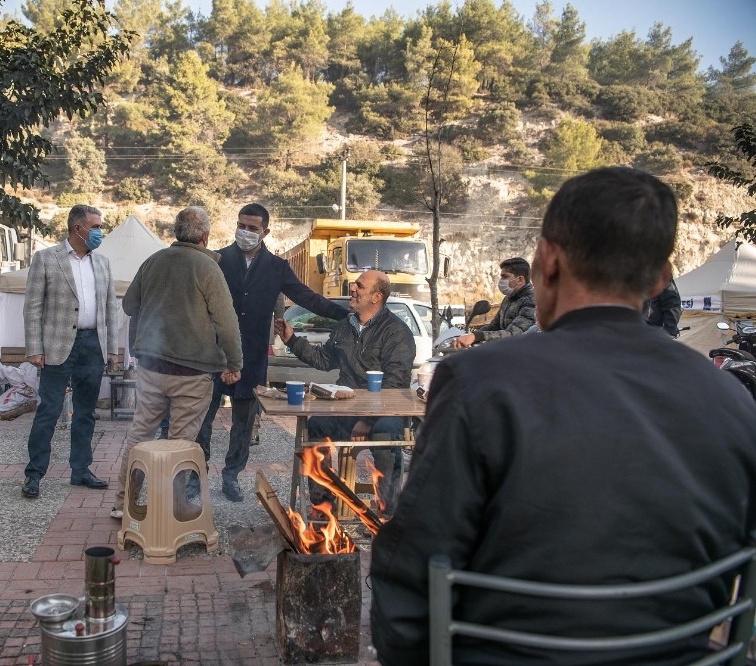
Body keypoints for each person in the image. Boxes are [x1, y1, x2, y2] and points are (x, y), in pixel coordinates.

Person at [370, 167, 756, 665]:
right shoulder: (731, 398)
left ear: (546, 261)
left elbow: (411, 576)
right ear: (662, 279)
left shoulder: (478, 383)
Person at [196, 203, 349, 502]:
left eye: (252, 228)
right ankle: (195, 476)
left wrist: (347, 315)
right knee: (202, 418)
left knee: (243, 422)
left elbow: (308, 297)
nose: (245, 232)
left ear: (265, 231)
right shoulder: (217, 259)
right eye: (242, 225)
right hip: (212, 355)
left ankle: (231, 476)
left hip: (251, 357)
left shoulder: (277, 267)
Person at [112, 207, 243, 520]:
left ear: (176, 232)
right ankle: (173, 510)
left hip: (151, 367)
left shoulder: (153, 261)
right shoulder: (207, 268)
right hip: (192, 372)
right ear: (205, 237)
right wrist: (234, 361)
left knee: (139, 435)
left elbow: (130, 305)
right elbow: (226, 321)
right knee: (180, 444)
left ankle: (123, 503)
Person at [274, 270, 414, 518]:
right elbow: (323, 359)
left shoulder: (396, 332)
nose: (353, 289)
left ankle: (388, 511)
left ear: (376, 297)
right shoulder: (344, 327)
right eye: (354, 284)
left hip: (383, 410)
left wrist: (367, 420)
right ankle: (322, 505)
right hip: (346, 408)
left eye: (359, 286)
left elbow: (396, 384)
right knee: (315, 428)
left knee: (385, 434)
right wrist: (292, 340)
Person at [20, 205, 119, 499]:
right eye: (96, 226)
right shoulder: (46, 259)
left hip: (92, 345)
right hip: (57, 346)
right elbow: (33, 306)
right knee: (48, 411)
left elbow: (109, 309)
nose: (100, 232)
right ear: (78, 228)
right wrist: (34, 348)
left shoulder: (102, 263)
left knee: (86, 412)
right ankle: (34, 474)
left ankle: (81, 470)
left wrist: (111, 348)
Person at [452, 257, 535, 348]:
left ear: (520, 280)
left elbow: (514, 334)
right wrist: (470, 336)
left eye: (505, 276)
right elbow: (494, 326)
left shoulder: (532, 301)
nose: (501, 281)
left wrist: (476, 336)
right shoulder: (509, 298)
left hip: (524, 355)